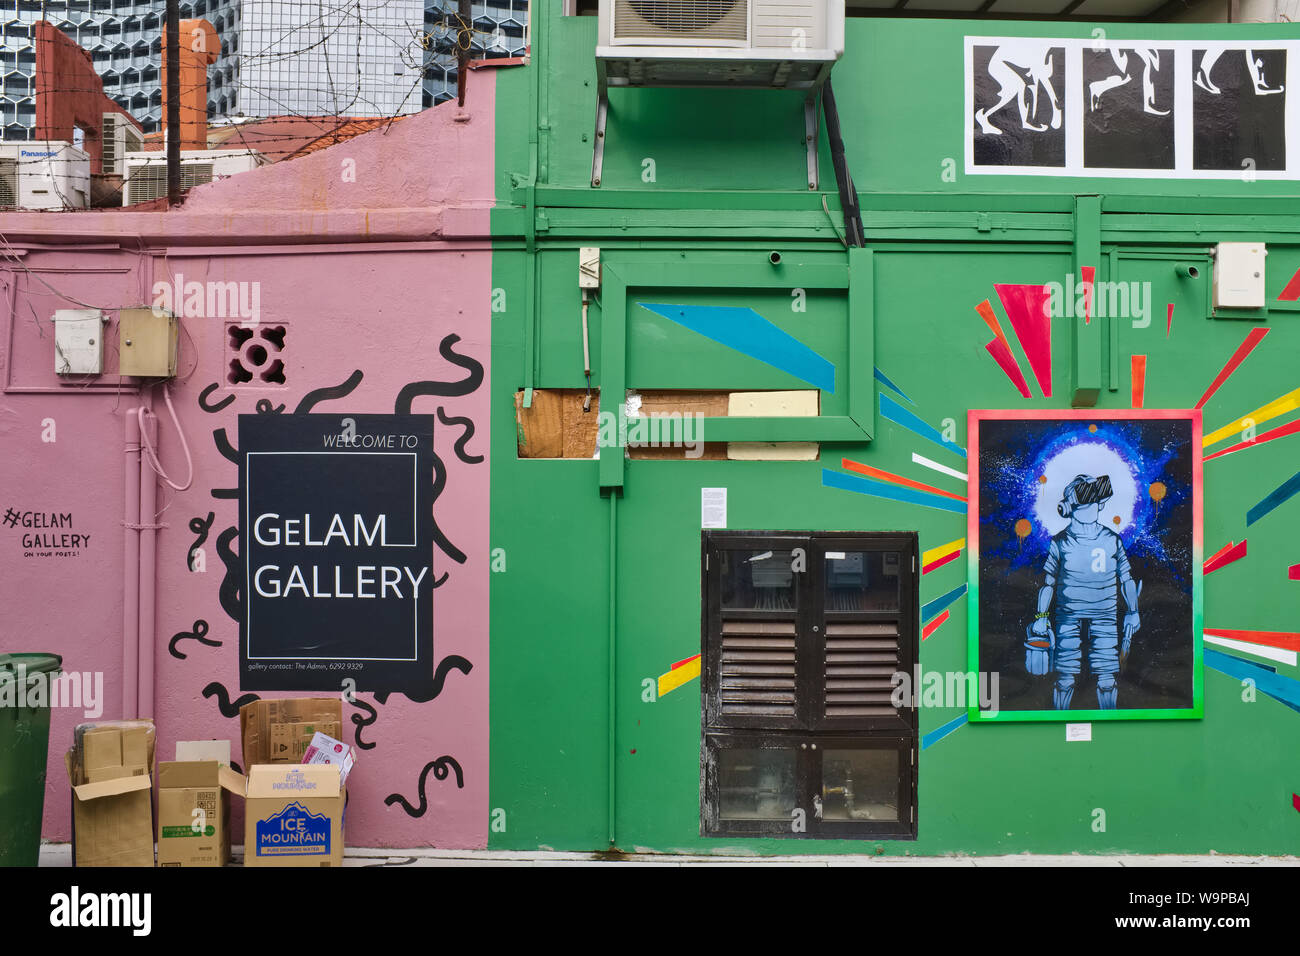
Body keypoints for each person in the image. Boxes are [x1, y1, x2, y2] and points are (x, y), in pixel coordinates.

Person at [1029, 474, 1140, 710]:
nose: (1088, 504)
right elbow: (1048, 583)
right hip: (1068, 615)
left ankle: (1109, 726)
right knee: (1065, 679)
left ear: (1100, 503)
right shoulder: (1060, 542)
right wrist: (1040, 617)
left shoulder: (1112, 540)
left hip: (1105, 615)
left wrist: (1133, 611)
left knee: (1107, 680)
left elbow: (1126, 579)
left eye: (1092, 498)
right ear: (1069, 507)